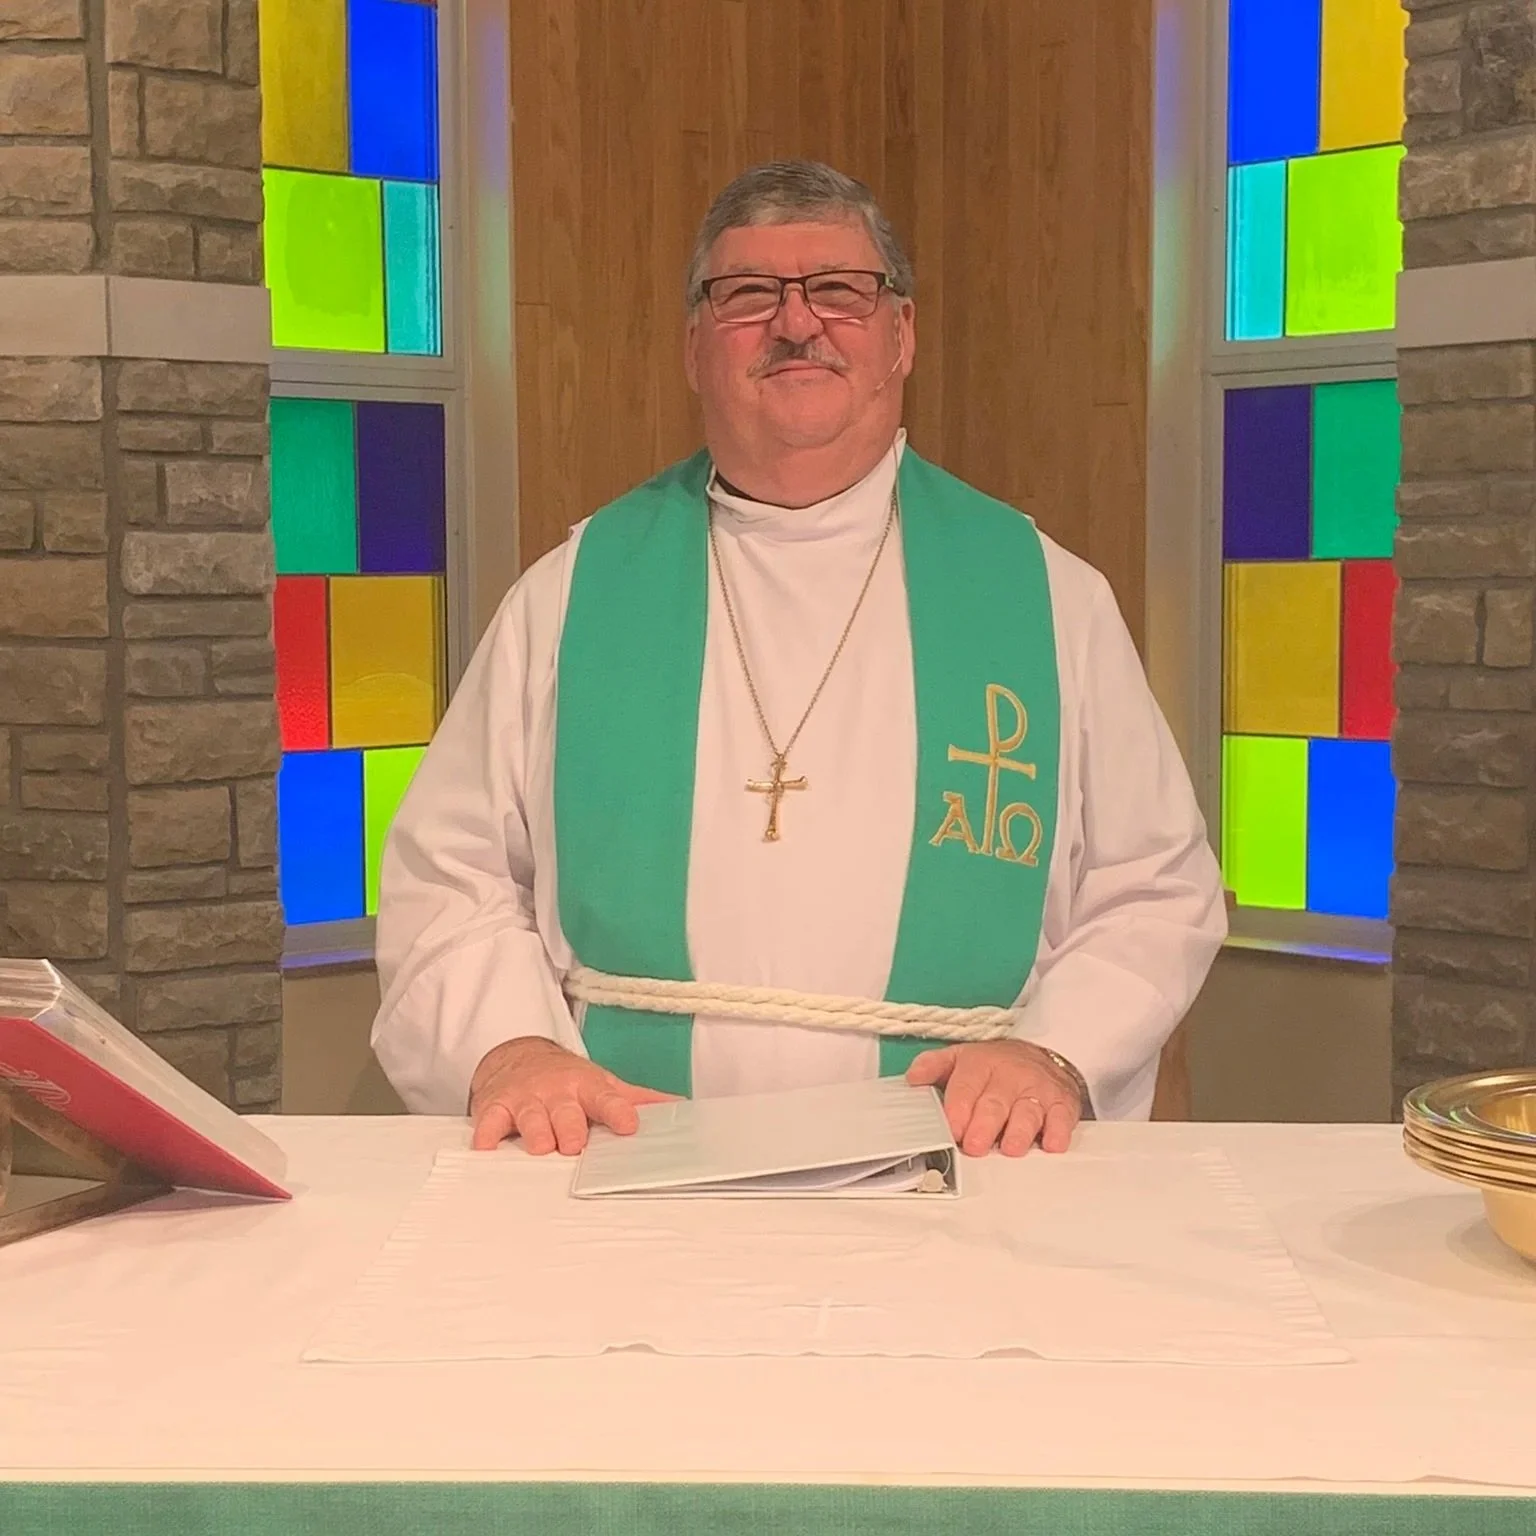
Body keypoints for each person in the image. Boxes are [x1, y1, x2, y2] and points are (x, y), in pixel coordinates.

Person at [372, 159, 1226, 1161]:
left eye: (839, 291)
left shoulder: (1045, 596)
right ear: (695, 348)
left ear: (901, 335)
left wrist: (1054, 1053)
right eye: (746, 296)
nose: (795, 322)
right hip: (622, 1153)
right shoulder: (571, 593)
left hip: (963, 1156)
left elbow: (1153, 887)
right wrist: (508, 1047)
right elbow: (451, 870)